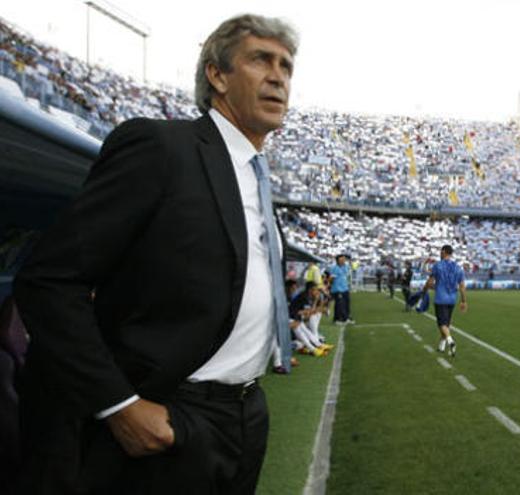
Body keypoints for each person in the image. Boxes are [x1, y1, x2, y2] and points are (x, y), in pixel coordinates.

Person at [12, 14, 299, 494]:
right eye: (260, 60)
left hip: (246, 413)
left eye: (287, 66)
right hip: (169, 416)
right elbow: (49, 280)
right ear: (217, 74)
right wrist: (119, 405)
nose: (278, 76)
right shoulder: (162, 148)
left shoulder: (259, 177)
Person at [423, 245, 467, 357]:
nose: (439, 253)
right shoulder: (458, 267)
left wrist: (425, 290)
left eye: (440, 252)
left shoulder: (438, 266)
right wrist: (463, 301)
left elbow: (430, 281)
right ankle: (442, 346)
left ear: (444, 252)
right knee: (447, 323)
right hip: (452, 299)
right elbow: (462, 286)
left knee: (442, 324)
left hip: (440, 299)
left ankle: (450, 341)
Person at [327, 254, 354, 324]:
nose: (343, 260)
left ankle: (346, 317)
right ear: (338, 260)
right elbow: (331, 278)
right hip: (337, 289)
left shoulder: (346, 266)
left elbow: (347, 275)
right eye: (342, 259)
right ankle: (338, 319)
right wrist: (330, 286)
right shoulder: (334, 268)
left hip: (345, 288)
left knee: (346, 303)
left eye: (344, 259)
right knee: (339, 304)